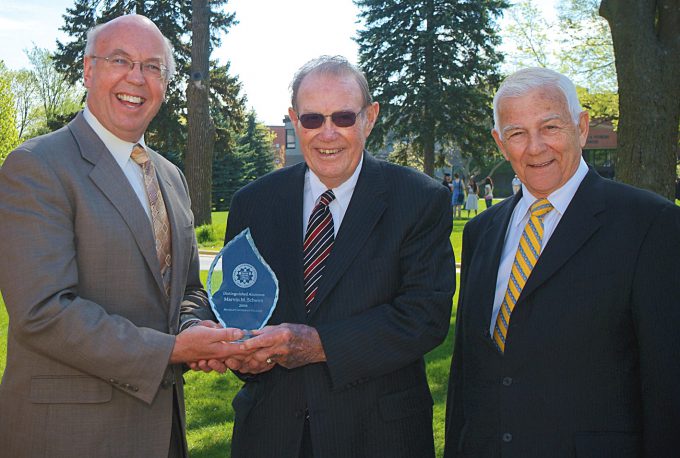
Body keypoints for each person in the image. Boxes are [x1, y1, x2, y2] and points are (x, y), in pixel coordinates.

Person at [0, 15, 248, 458]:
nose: (137, 77)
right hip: (72, 436)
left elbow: (187, 287)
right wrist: (171, 350)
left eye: (153, 67)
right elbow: (42, 312)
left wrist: (196, 328)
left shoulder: (170, 176)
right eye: (120, 60)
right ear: (88, 70)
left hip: (162, 432)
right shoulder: (36, 166)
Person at [211, 55, 455, 457]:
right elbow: (241, 307)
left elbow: (425, 317)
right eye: (312, 119)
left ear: (369, 117)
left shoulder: (419, 200)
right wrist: (241, 355)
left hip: (377, 436)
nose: (328, 134)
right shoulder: (253, 203)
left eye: (343, 117)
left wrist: (319, 344)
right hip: (271, 435)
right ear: (293, 119)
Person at [444, 67, 680, 458]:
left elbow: (668, 384)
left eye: (550, 127)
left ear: (581, 127)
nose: (535, 147)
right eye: (517, 133)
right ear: (500, 144)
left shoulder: (649, 225)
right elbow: (466, 373)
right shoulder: (481, 232)